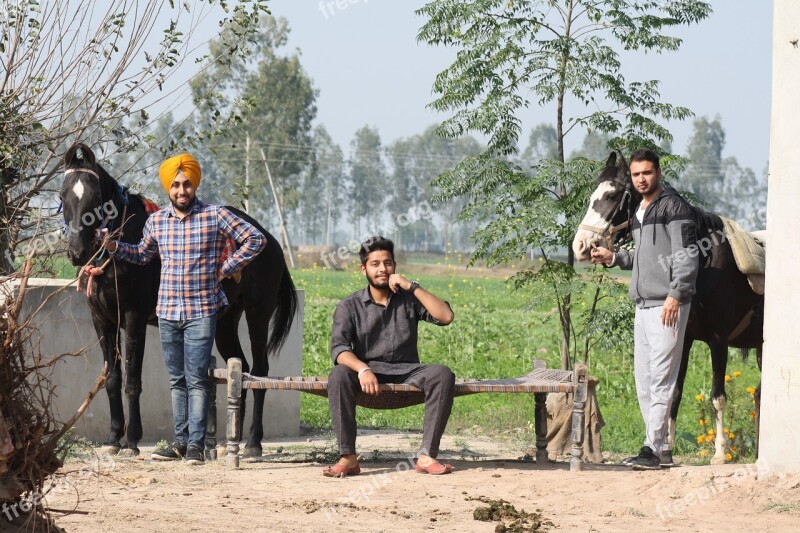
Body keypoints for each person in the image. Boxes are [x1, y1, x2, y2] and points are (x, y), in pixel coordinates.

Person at [103, 154, 265, 465]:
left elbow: (255, 239)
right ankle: (180, 441)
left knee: (197, 378)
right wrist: (115, 247)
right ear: (168, 188)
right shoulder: (157, 221)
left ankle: (196, 446)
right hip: (166, 311)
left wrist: (226, 267)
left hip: (201, 310)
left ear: (194, 185)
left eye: (186, 184)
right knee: (177, 379)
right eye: (175, 185)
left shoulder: (214, 215)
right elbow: (141, 255)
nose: (181, 190)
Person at [590, 148, 699, 471]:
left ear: (658, 173)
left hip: (667, 305)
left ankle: (651, 449)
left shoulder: (675, 207)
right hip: (643, 305)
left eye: (647, 173)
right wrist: (615, 259)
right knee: (644, 379)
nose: (641, 179)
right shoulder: (640, 210)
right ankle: (661, 448)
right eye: (636, 174)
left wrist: (676, 295)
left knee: (661, 380)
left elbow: (687, 255)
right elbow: (646, 257)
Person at [324, 236, 456, 477]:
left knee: (442, 374)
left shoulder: (409, 299)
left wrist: (412, 286)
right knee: (339, 374)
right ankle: (348, 457)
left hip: (408, 371)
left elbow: (446, 316)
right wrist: (363, 369)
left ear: (395, 266)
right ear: (363, 268)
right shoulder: (349, 306)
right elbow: (339, 349)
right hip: (369, 372)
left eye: (388, 263)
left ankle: (426, 456)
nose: (382, 269)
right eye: (375, 264)